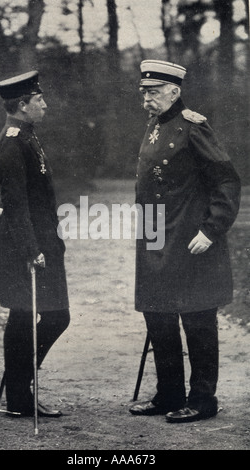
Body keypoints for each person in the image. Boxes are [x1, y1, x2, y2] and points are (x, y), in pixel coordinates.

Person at [129, 60, 241, 423]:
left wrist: (211, 230)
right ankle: (169, 394)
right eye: (144, 92)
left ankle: (203, 400)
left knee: (197, 319)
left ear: (174, 92)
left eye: (154, 92)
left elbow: (226, 182)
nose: (147, 99)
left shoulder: (195, 127)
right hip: (156, 237)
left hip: (191, 240)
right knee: (158, 317)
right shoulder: (153, 125)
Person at [0, 71, 70, 418]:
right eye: (39, 101)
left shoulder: (26, 136)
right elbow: (17, 203)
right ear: (22, 105)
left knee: (43, 316)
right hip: (22, 244)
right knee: (31, 316)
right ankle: (20, 393)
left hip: (38, 239)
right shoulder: (11, 143)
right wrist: (31, 249)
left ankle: (19, 383)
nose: (45, 105)